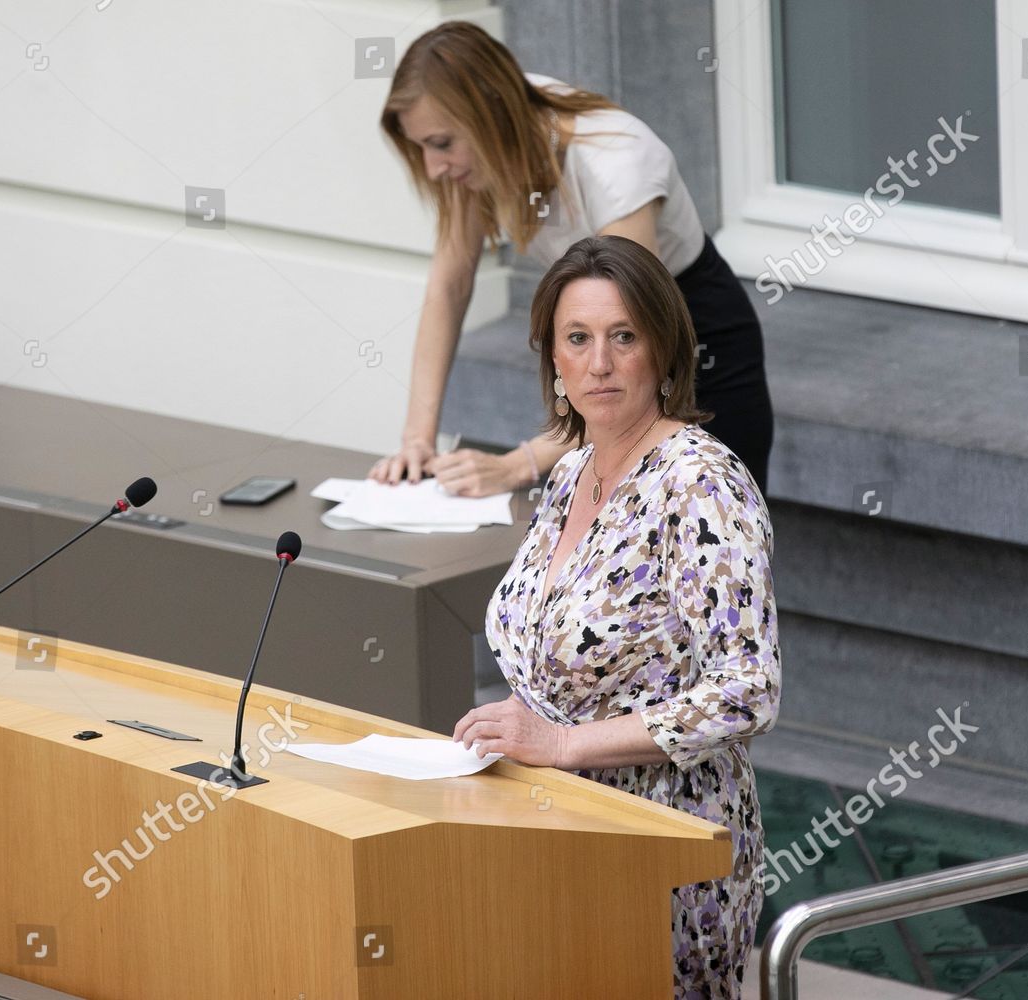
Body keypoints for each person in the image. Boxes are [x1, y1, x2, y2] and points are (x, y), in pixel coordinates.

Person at [453, 236, 780, 999]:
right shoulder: (571, 472)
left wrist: (564, 743)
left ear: (663, 353)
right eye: (578, 339)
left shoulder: (701, 482)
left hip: (659, 850)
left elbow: (748, 688)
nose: (599, 362)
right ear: (555, 365)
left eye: (623, 337)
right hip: (555, 827)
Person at [370, 20, 774, 497]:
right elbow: (451, 284)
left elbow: (633, 349)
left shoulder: (615, 167)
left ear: (490, 113)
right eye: (422, 147)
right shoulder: (498, 135)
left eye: (441, 144)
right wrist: (418, 439)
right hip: (610, 348)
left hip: (696, 345)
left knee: (705, 547)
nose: (433, 167)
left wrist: (521, 465)